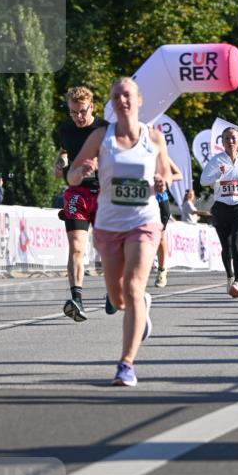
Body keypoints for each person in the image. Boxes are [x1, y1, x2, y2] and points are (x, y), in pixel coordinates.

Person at [68, 77, 170, 387]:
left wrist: (161, 182)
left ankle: (126, 364)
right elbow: (72, 176)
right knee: (118, 297)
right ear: (111, 104)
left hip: (144, 222)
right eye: (116, 96)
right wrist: (81, 171)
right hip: (109, 225)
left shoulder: (153, 138)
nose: (122, 100)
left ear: (139, 100)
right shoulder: (101, 136)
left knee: (134, 288)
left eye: (127, 95)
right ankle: (142, 310)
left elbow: (165, 173)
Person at [54, 86, 108, 322]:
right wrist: (60, 163)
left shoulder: (105, 129)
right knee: (77, 247)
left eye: (82, 112)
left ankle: (113, 292)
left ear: (92, 107)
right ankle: (77, 298)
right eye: (73, 112)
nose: (78, 117)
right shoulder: (65, 130)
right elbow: (64, 152)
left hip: (105, 193)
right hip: (77, 192)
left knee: (107, 247)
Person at [200, 125, 238, 298]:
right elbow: (203, 181)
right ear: (223, 142)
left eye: (234, 138)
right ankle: (230, 276)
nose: (231, 141)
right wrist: (218, 175)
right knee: (226, 246)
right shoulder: (216, 161)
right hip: (221, 208)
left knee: (237, 243)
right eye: (227, 138)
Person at [153, 157, 183, 288]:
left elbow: (179, 175)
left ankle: (162, 269)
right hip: (139, 201)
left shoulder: (160, 154)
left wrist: (164, 179)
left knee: (160, 237)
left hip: (160, 201)